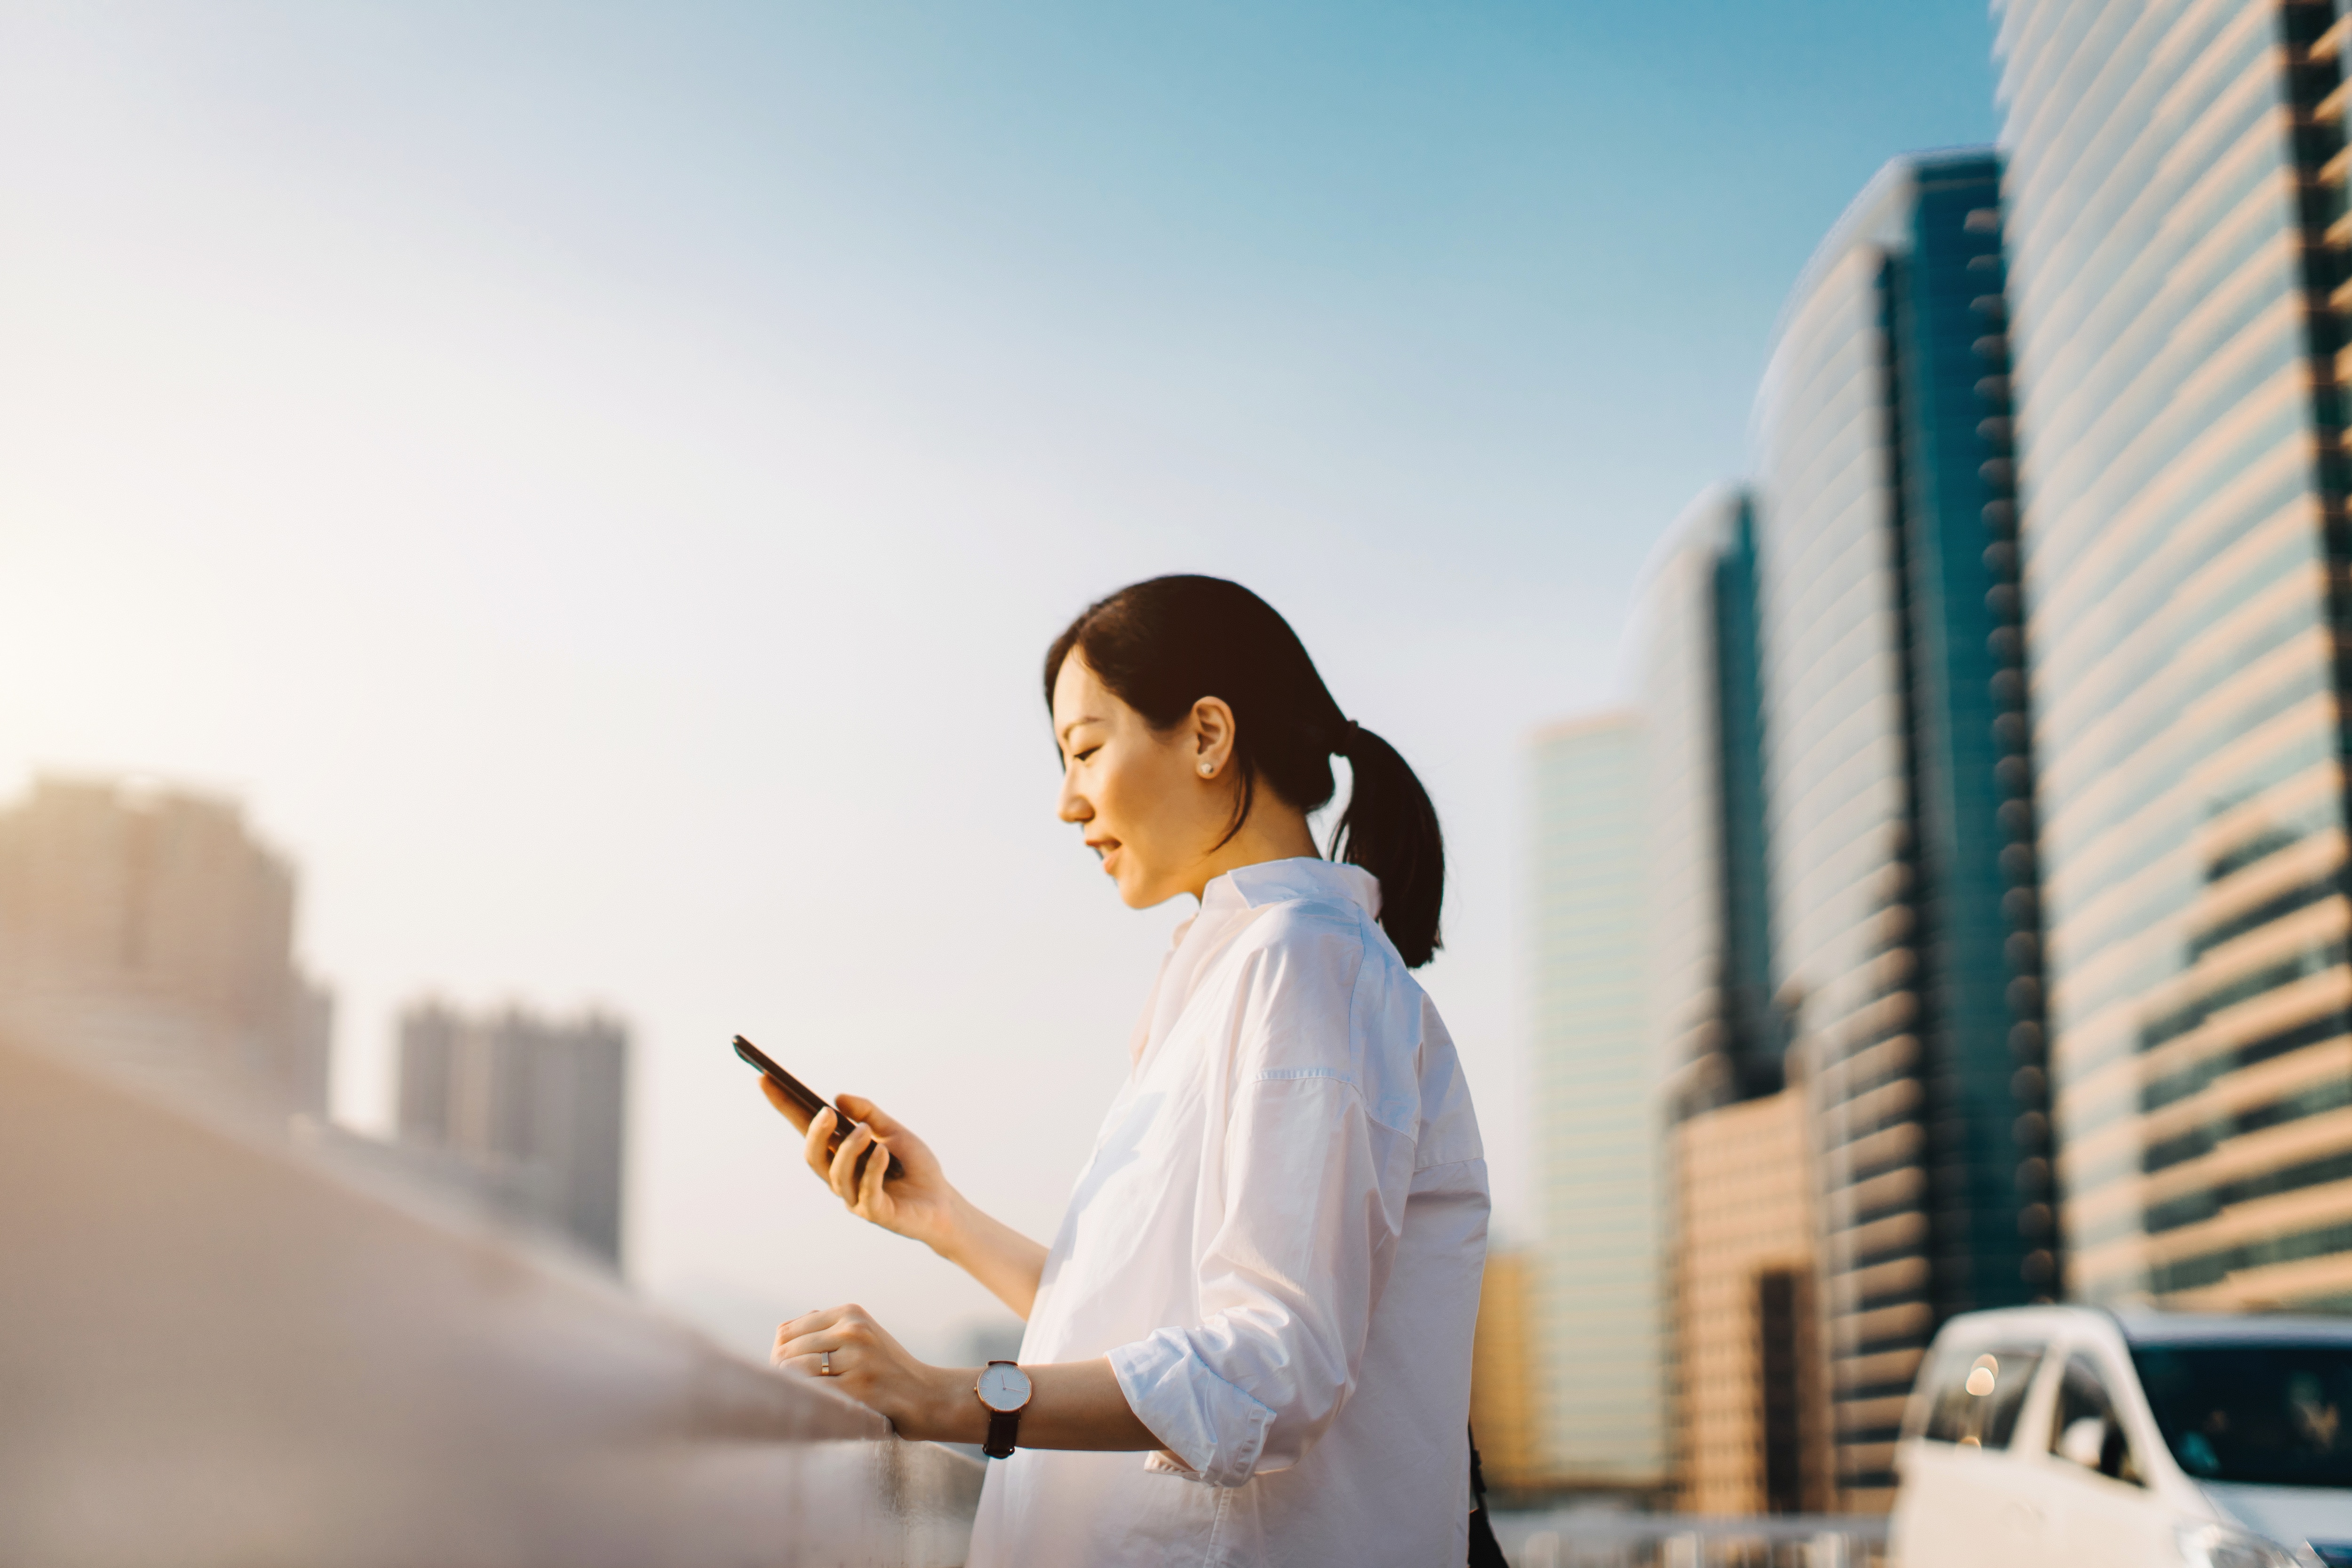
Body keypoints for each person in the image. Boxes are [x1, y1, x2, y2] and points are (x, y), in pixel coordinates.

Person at [765, 575, 1491, 1566]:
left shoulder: (1300, 961)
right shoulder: (1238, 971)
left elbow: (1271, 1366)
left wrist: (941, 1394)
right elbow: (1148, 1320)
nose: (1067, 803)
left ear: (1205, 735)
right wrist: (947, 1222)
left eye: (1085, 749)